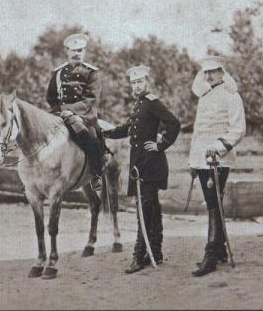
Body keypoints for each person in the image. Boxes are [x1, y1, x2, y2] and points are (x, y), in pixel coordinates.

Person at [104, 64, 180, 273]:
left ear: (147, 82)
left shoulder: (152, 102)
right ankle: (155, 251)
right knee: (151, 208)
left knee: (144, 210)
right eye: (133, 83)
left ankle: (139, 255)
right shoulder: (139, 104)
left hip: (151, 164)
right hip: (140, 164)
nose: (136, 86)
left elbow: (174, 123)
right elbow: (128, 129)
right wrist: (106, 133)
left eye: (140, 82)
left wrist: (161, 144)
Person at [188, 55, 246, 277]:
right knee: (214, 202)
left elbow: (238, 128)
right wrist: (193, 161)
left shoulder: (232, 96)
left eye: (214, 71)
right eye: (206, 72)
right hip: (201, 158)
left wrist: (219, 147)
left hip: (218, 158)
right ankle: (220, 249)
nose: (210, 76)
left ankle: (210, 254)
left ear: (222, 72)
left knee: (213, 203)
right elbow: (198, 130)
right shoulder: (204, 96)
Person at [46, 33, 104, 191]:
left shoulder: (92, 72)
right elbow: (51, 97)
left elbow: (90, 99)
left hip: (84, 115)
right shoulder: (58, 73)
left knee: (92, 139)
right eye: (74, 50)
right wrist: (59, 111)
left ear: (84, 51)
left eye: (80, 50)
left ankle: (96, 174)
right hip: (59, 115)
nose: (77, 53)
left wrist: (69, 111)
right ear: (67, 51)